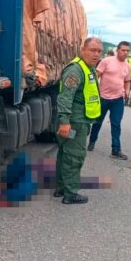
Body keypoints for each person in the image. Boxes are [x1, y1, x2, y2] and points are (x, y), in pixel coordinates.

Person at [54, 37, 104, 204]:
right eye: (92, 50)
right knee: (74, 157)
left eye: (99, 51)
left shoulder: (87, 68)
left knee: (65, 155)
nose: (96, 54)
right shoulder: (76, 70)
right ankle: (70, 193)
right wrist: (65, 121)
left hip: (78, 119)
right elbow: (65, 97)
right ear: (83, 50)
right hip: (74, 121)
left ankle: (62, 187)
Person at [87, 41, 130, 160]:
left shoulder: (128, 65)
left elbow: (127, 80)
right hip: (103, 98)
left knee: (116, 124)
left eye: (127, 51)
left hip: (118, 99)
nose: (125, 53)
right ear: (117, 50)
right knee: (97, 122)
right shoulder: (107, 61)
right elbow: (97, 76)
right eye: (123, 50)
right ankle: (92, 141)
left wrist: (127, 90)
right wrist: (93, 92)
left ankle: (116, 150)